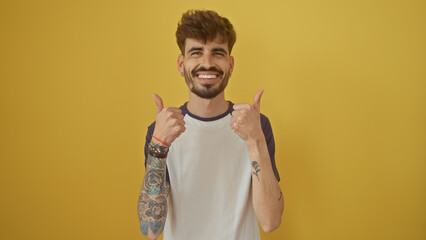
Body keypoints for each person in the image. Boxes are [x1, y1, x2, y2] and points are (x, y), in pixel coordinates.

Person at [137, 9, 284, 240]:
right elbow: (151, 230)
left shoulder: (256, 125)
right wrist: (158, 145)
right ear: (181, 63)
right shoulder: (161, 131)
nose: (207, 63)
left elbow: (270, 221)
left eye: (217, 53)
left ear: (231, 64)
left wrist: (255, 141)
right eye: (196, 52)